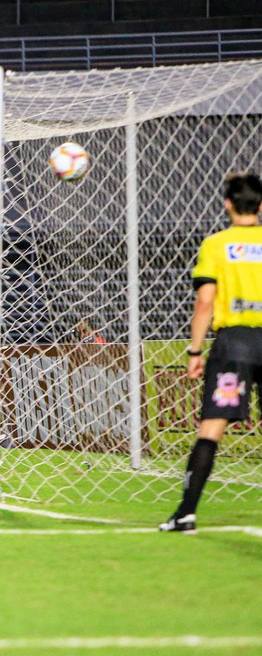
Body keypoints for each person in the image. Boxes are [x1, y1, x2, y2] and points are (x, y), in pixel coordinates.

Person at [160, 171, 262, 534]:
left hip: (234, 343)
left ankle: (186, 513)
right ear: (261, 205)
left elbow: (205, 302)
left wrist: (195, 350)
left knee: (211, 430)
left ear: (228, 204)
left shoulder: (217, 244)